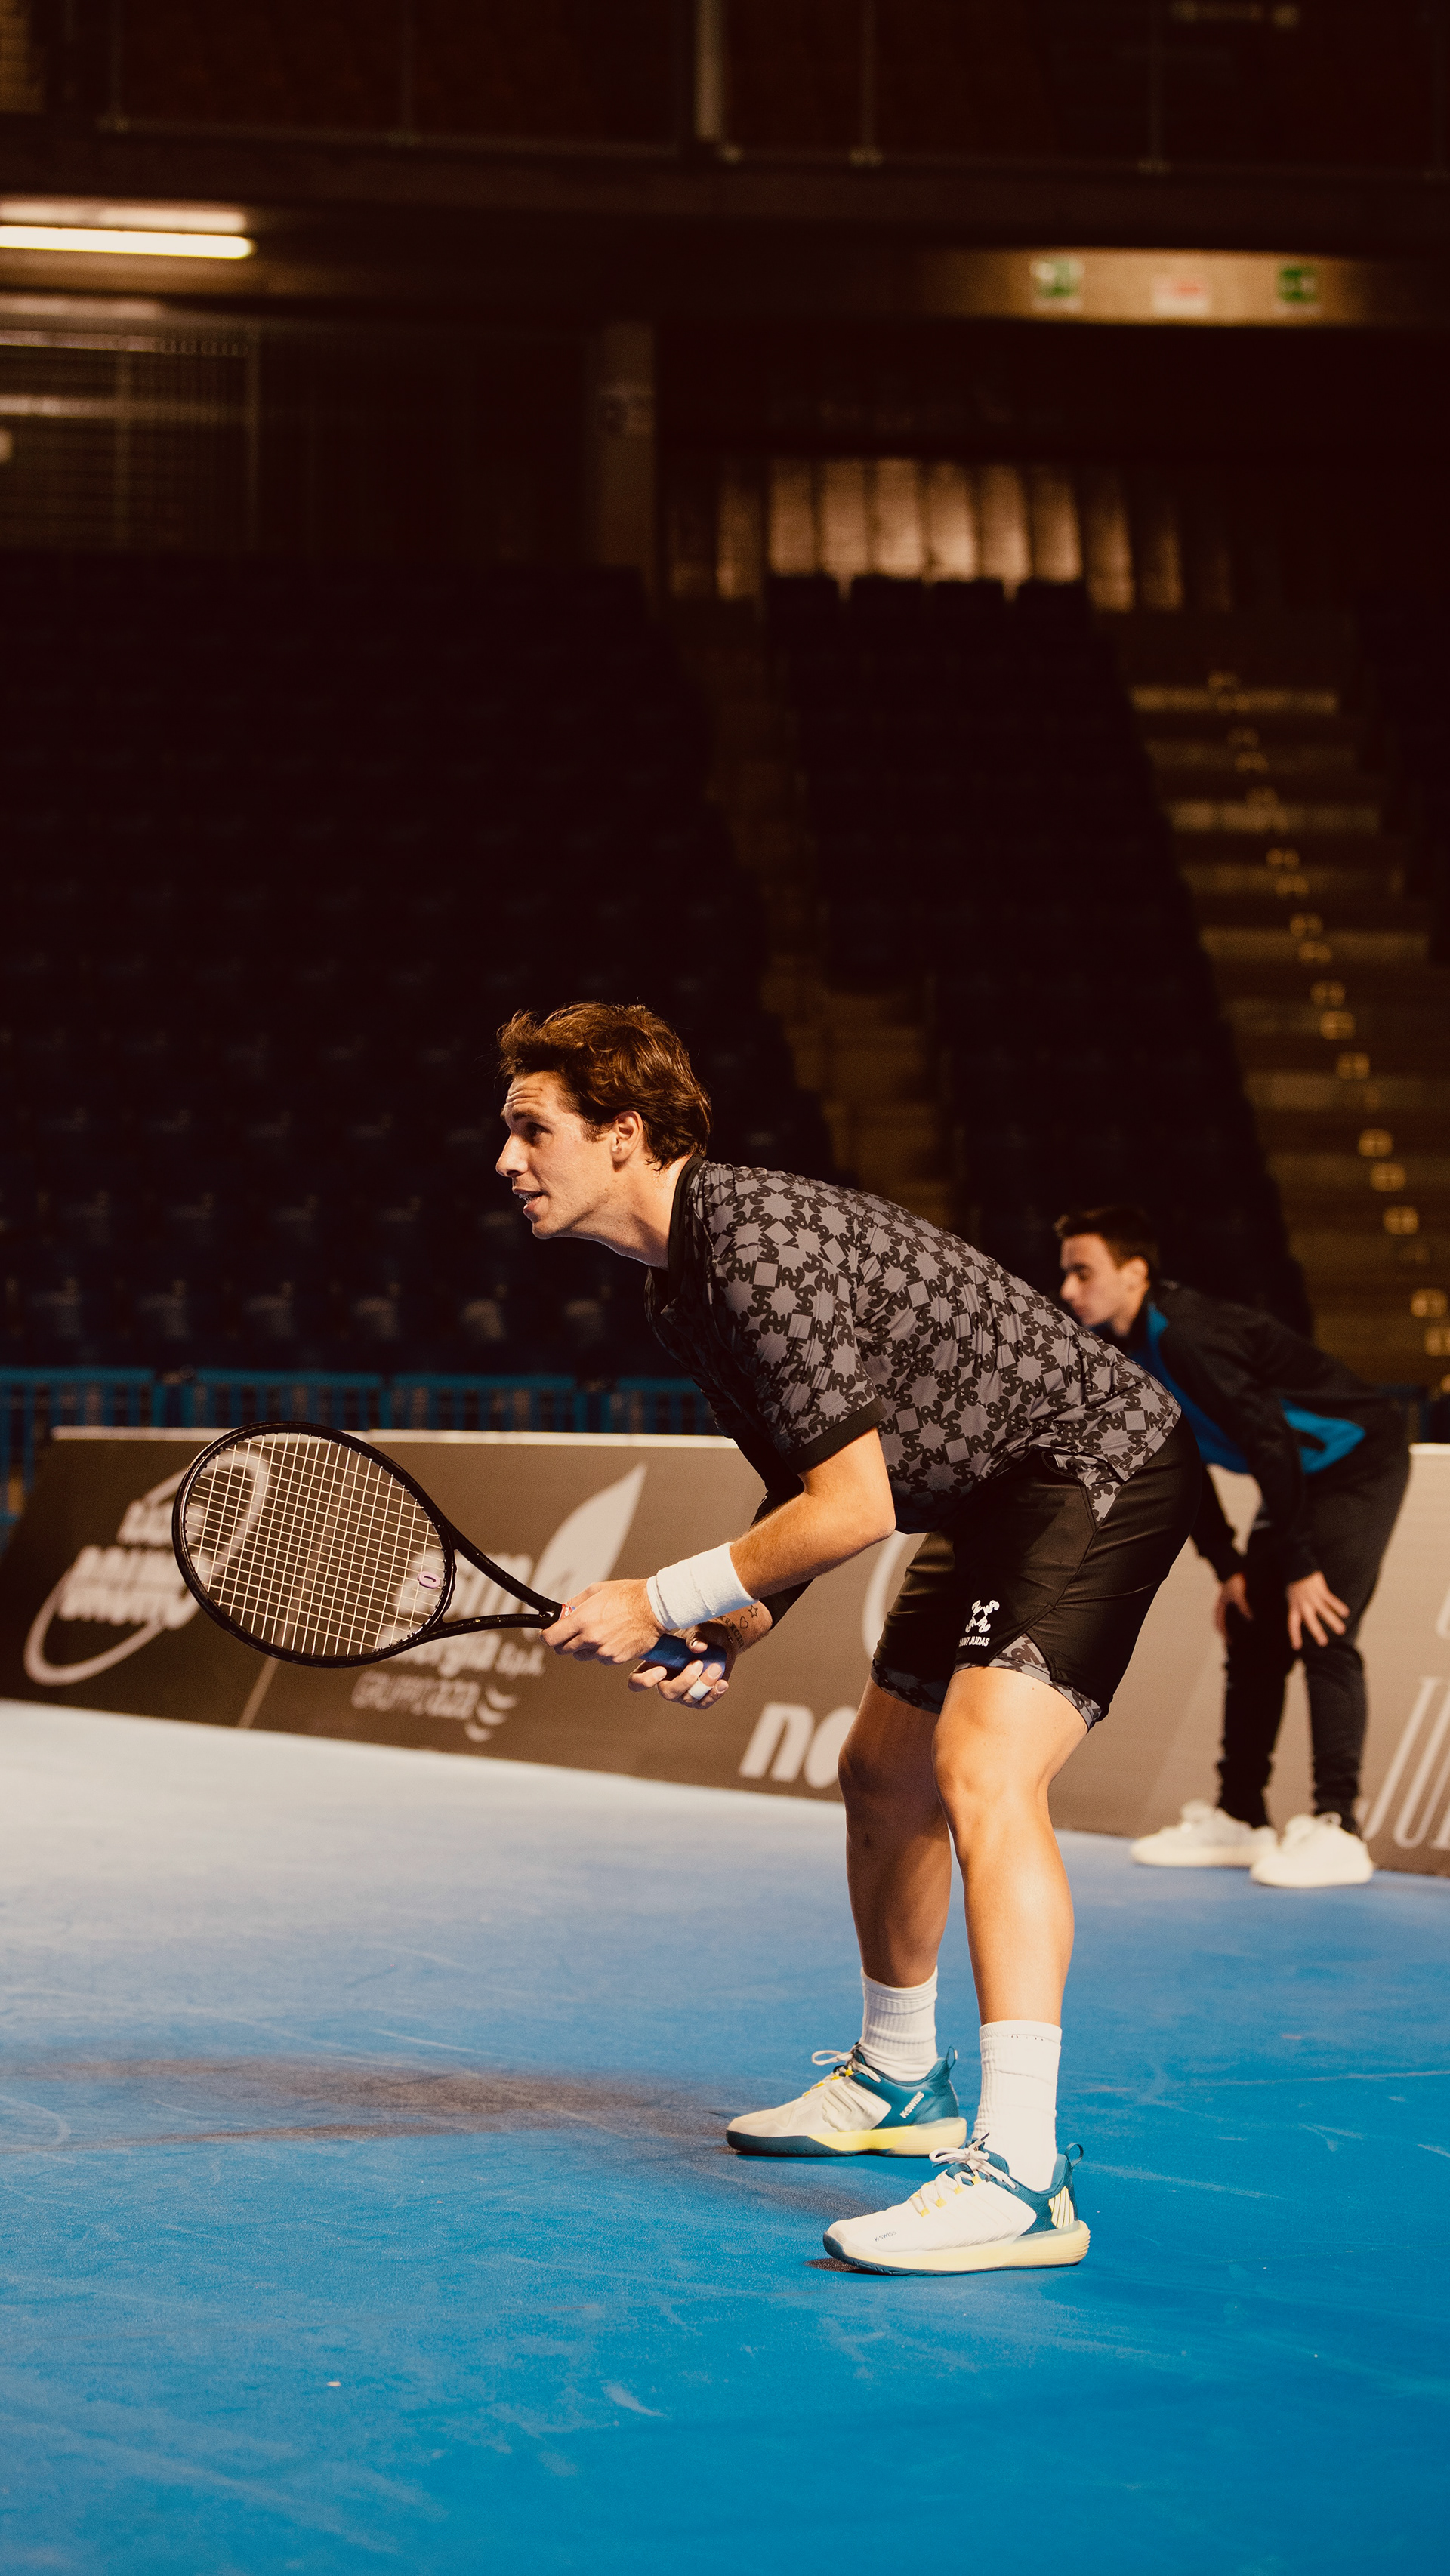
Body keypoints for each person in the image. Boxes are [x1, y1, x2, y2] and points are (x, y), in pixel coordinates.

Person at [495, 1004, 1199, 2277]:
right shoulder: (680, 1291)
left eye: (532, 1129)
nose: (507, 1159)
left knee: (982, 1768)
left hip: (1096, 1460)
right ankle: (899, 2078)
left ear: (625, 1133)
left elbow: (859, 1509)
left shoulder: (752, 1241)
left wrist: (660, 1596)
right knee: (880, 1774)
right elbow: (811, 1484)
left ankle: (1023, 2173)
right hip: (989, 1493)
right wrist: (734, 1616)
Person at [1057, 1206, 1411, 1890]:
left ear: (1134, 1272)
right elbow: (1178, 1466)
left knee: (1322, 1625)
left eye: (1084, 1271)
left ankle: (1338, 1826)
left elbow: (1268, 1440)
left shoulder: (1189, 1333)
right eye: (1066, 1273)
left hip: (1356, 1459)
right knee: (1252, 1629)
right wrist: (1230, 1568)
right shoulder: (1126, 1357)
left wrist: (1301, 1566)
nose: (1069, 1289)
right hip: (1298, 1477)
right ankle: (1242, 1815)